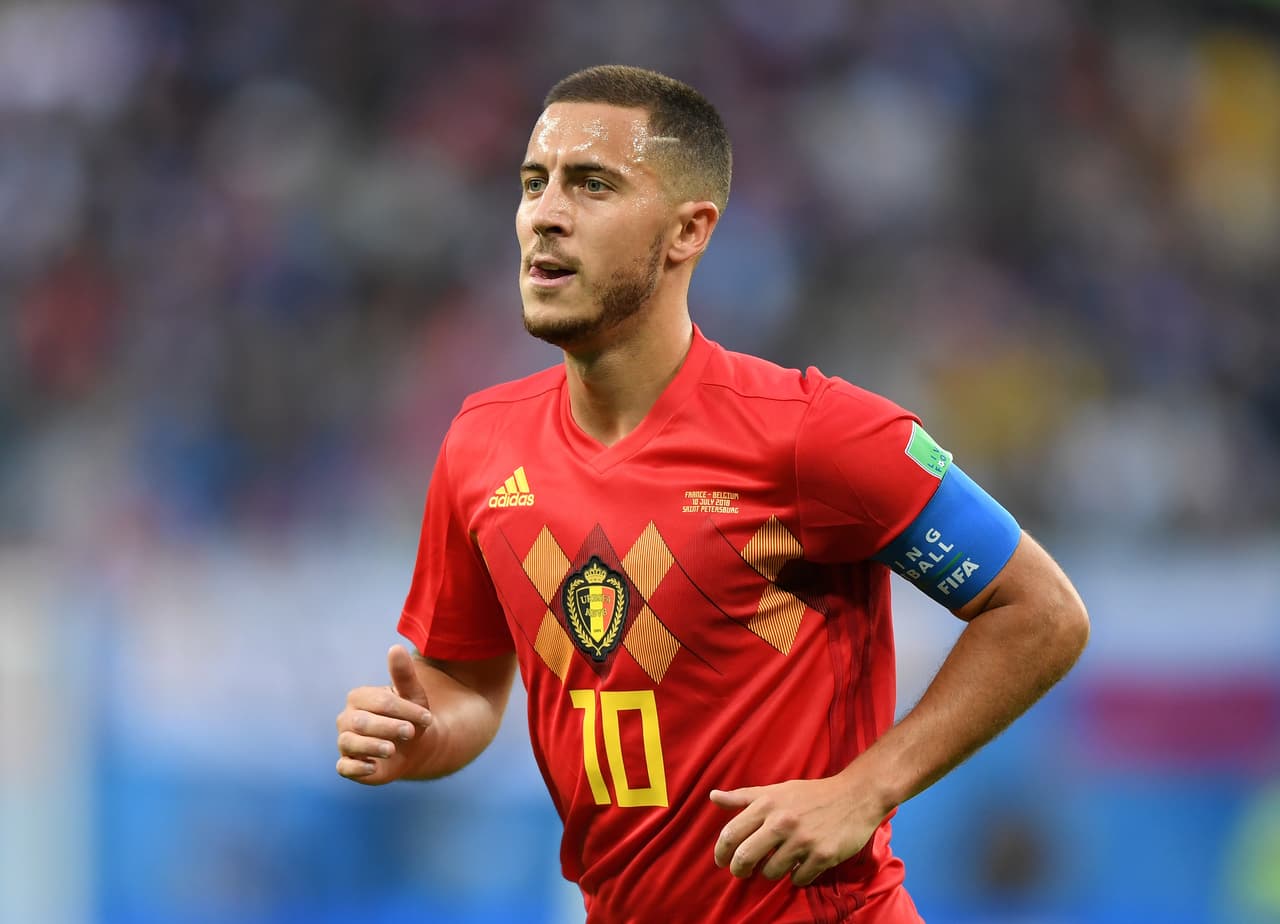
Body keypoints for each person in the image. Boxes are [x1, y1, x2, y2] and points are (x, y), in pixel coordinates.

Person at [335, 64, 1090, 923]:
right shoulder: (480, 445)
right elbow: (466, 687)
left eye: (593, 184)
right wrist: (428, 733)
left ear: (688, 231)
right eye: (533, 182)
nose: (545, 213)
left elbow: (1043, 613)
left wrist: (866, 788)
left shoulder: (815, 435)